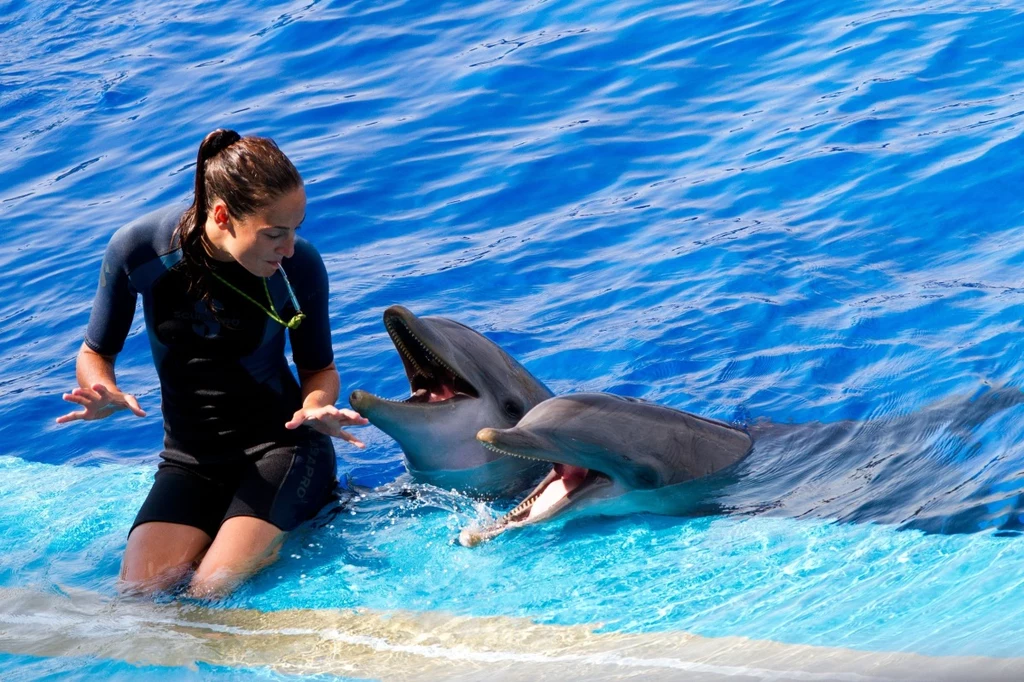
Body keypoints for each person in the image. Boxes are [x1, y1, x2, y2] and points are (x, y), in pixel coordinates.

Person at [56, 128, 367, 598]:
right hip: (190, 460)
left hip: (280, 450)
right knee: (138, 599)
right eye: (275, 233)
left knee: (208, 592)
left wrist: (317, 406)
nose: (289, 247)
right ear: (223, 215)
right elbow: (95, 352)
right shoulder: (140, 251)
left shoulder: (298, 268)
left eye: (295, 230)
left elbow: (318, 370)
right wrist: (102, 390)